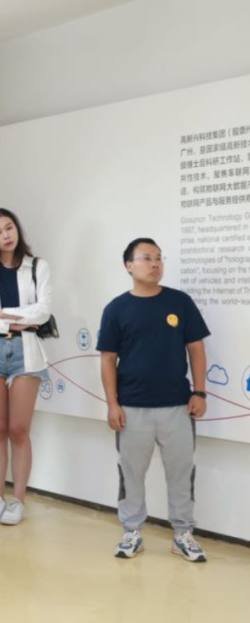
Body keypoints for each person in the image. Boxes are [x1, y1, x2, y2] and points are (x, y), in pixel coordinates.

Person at [99, 238, 210, 563]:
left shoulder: (180, 302)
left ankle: (183, 534)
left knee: (181, 472)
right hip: (131, 408)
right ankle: (132, 532)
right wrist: (112, 404)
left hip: (178, 406)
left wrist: (199, 392)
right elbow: (108, 359)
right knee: (131, 473)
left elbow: (196, 349)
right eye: (147, 258)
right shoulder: (116, 308)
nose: (155, 264)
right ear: (129, 265)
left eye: (159, 258)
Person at [0, 209, 52, 527]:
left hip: (26, 353)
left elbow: (43, 311)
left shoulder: (38, 267)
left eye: (10, 227)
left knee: (18, 430)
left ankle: (18, 500)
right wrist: (9, 323)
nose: (6, 235)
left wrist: (3, 314)